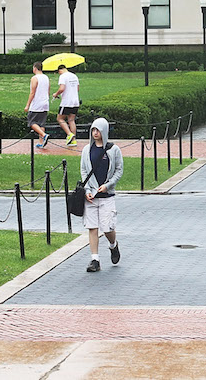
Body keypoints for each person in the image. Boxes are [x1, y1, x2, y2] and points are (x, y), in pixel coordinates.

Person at [80, 118, 122, 273]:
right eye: (93, 130)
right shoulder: (86, 150)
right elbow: (84, 171)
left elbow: (119, 170)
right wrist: (87, 191)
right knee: (92, 227)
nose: (95, 133)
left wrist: (108, 185)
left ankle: (113, 245)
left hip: (107, 195)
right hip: (91, 196)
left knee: (107, 228)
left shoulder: (114, 150)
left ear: (104, 131)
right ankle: (95, 259)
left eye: (98, 130)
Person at [52, 63, 80, 147]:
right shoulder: (74, 76)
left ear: (60, 70)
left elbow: (62, 88)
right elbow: (77, 89)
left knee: (60, 118)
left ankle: (69, 134)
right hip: (75, 101)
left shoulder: (63, 76)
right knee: (71, 120)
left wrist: (56, 94)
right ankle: (73, 140)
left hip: (66, 102)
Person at [24, 61, 50, 149]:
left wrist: (27, 105)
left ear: (35, 68)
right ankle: (41, 142)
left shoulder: (35, 78)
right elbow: (48, 90)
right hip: (45, 103)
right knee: (41, 124)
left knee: (32, 122)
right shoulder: (46, 77)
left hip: (37, 104)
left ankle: (44, 135)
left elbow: (32, 92)